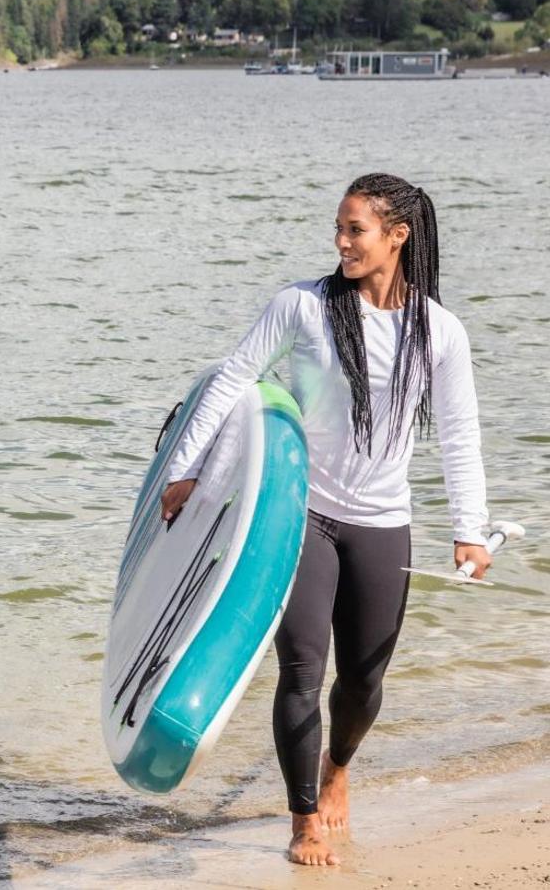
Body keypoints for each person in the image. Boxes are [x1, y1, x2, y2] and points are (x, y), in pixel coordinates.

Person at [157, 174, 490, 866]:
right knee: (302, 668)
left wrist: (470, 528)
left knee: (364, 681)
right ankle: (303, 816)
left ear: (397, 235)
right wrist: (183, 469)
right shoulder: (302, 306)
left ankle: (339, 764)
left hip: (382, 521)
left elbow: (460, 433)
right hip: (304, 511)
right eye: (338, 228)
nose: (340, 242)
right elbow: (233, 377)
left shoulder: (440, 332)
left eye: (355, 230)